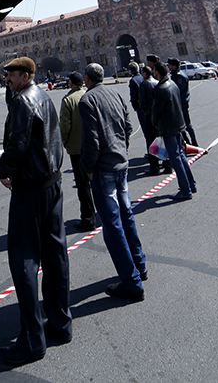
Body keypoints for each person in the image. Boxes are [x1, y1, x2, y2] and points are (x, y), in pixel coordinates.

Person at [0, 56, 71, 366]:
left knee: (24, 259)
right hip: (52, 184)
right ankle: (60, 323)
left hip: (30, 188)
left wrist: (2, 168)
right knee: (55, 253)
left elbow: (18, 143)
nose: (7, 79)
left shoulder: (23, 103)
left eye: (10, 75)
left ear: (24, 75)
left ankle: (31, 340)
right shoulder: (42, 95)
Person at [79, 63, 147, 301]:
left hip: (103, 168)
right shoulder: (115, 93)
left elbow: (92, 142)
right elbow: (128, 127)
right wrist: (122, 151)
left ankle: (131, 282)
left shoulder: (87, 101)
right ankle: (140, 265)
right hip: (121, 164)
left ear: (86, 78)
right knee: (126, 215)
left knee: (112, 225)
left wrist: (87, 169)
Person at [151, 60, 197, 201]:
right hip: (178, 125)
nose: (153, 72)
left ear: (157, 72)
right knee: (180, 156)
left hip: (168, 127)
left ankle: (185, 190)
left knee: (175, 159)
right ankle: (191, 184)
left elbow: (156, 111)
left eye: (154, 70)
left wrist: (154, 123)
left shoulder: (161, 89)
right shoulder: (172, 84)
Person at [59, 71, 96, 231]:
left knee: (83, 185)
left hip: (76, 148)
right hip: (94, 145)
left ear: (71, 83)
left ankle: (88, 218)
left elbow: (65, 125)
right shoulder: (91, 95)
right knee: (98, 180)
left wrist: (65, 141)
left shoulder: (68, 100)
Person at [167, 59, 199, 146]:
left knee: (186, 124)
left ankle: (194, 142)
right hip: (178, 104)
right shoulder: (174, 75)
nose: (168, 67)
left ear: (174, 66)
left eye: (169, 65)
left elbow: (178, 92)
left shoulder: (179, 77)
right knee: (180, 125)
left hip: (181, 104)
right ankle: (187, 143)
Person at [139, 66, 162, 175]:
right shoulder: (157, 82)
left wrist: (144, 110)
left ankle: (154, 167)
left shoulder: (144, 84)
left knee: (151, 141)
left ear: (144, 73)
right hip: (158, 115)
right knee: (160, 140)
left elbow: (142, 102)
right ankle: (166, 164)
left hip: (149, 115)